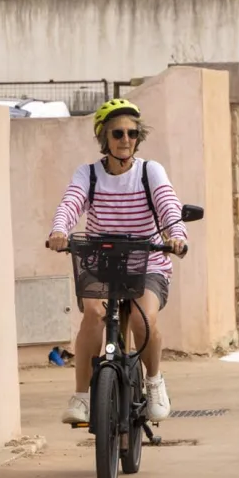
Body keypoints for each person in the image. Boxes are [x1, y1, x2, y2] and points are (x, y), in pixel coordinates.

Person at [46, 99, 189, 426]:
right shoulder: (88, 174)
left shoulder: (150, 172)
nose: (126, 139)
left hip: (147, 262)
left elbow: (168, 206)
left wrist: (176, 236)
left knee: (143, 319)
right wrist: (59, 231)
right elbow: (71, 203)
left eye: (132, 133)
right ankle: (82, 397)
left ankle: (154, 382)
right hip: (101, 263)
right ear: (104, 138)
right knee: (94, 316)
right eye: (118, 133)